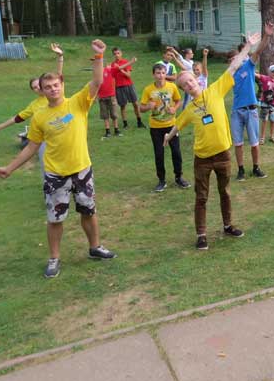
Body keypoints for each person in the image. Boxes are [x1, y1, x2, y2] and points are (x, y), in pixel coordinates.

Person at [0, 39, 117, 279]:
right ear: (41, 90)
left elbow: (97, 81)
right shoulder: (40, 116)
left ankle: (94, 247)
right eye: (47, 86)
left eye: (55, 84)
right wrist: (9, 168)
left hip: (82, 169)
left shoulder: (78, 103)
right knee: (55, 219)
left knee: (89, 212)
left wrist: (99, 56)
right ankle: (54, 259)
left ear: (62, 84)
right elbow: (32, 147)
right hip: (55, 175)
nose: (52, 89)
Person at [164, 31, 263, 251]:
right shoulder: (189, 109)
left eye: (191, 80)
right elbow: (177, 124)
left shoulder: (216, 90)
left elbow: (234, 66)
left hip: (223, 155)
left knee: (225, 192)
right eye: (185, 85)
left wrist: (248, 45)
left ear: (197, 79)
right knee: (201, 197)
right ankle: (201, 235)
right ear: (184, 89)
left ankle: (228, 226)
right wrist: (168, 136)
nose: (190, 85)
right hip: (202, 159)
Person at [0, 43, 65, 141]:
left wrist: (60, 56)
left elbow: (59, 74)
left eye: (39, 84)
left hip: (64, 126)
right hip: (48, 133)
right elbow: (17, 118)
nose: (37, 87)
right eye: (34, 87)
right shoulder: (34, 105)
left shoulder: (56, 92)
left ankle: (25, 137)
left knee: (67, 118)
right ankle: (26, 137)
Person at [228, 23, 274, 181]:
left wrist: (267, 35)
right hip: (237, 112)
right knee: (238, 143)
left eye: (238, 57)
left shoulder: (248, 66)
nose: (238, 59)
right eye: (234, 58)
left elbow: (258, 50)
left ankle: (256, 167)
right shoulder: (230, 75)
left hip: (251, 110)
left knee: (254, 143)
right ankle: (240, 170)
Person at [140, 63, 188, 192]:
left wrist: (174, 108)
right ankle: (161, 180)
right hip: (156, 127)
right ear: (153, 75)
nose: (160, 76)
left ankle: (179, 177)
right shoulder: (148, 90)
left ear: (165, 74)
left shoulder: (172, 87)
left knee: (176, 152)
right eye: (158, 73)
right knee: (159, 154)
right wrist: (148, 107)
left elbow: (178, 100)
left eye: (162, 73)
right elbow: (141, 108)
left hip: (172, 126)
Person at [111, 48, 145, 129]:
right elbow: (112, 76)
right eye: (115, 54)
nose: (117, 55)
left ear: (121, 53)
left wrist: (120, 69)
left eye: (118, 53)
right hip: (119, 87)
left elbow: (128, 75)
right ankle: (125, 124)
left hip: (129, 85)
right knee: (122, 106)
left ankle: (139, 122)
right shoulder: (112, 64)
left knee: (136, 104)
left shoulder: (125, 62)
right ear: (113, 55)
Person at [256, 64, 274, 144]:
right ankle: (262, 138)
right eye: (272, 72)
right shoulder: (265, 78)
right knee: (264, 120)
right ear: (269, 72)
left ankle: (272, 136)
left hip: (273, 103)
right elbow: (258, 76)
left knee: (273, 120)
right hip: (265, 102)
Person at [99, 59, 121, 139]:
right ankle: (107, 131)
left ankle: (116, 130)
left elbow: (119, 68)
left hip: (111, 96)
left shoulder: (109, 70)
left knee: (114, 114)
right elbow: (96, 85)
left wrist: (131, 61)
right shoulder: (97, 74)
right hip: (102, 97)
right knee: (105, 115)